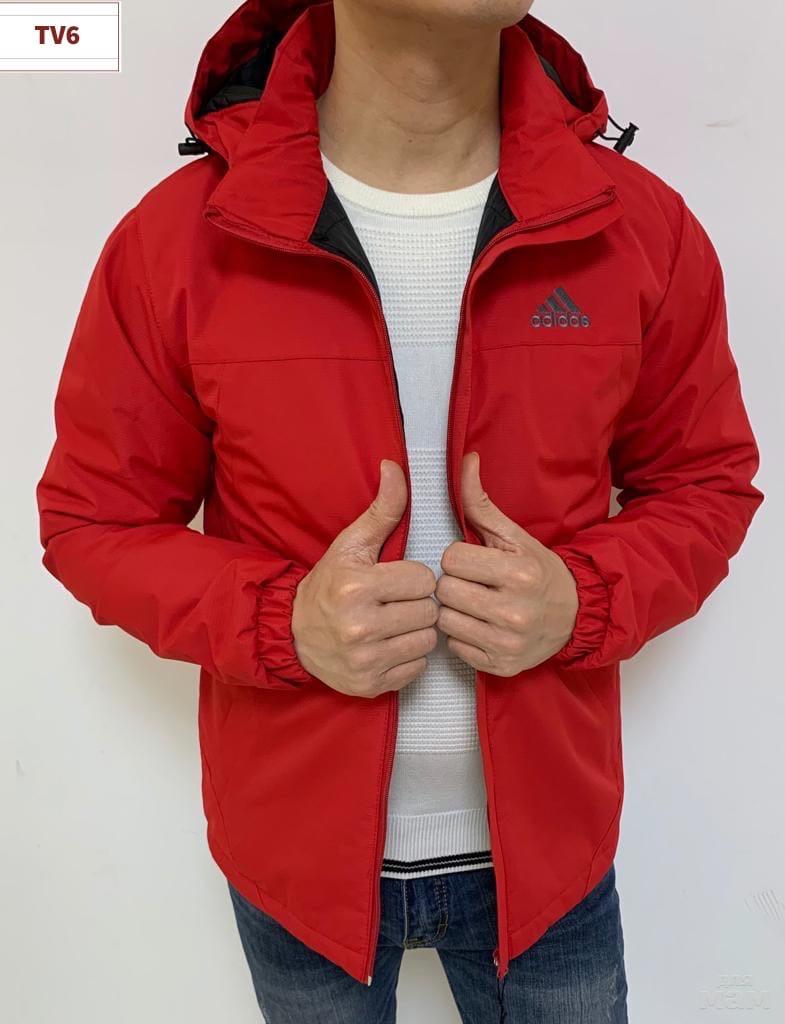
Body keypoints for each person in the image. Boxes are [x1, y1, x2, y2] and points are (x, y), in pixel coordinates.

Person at [36, 0, 763, 1020]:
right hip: (296, 869)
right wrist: (280, 619)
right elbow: (91, 521)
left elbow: (705, 481)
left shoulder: (635, 227)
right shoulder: (181, 239)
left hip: (548, 867)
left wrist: (582, 598)